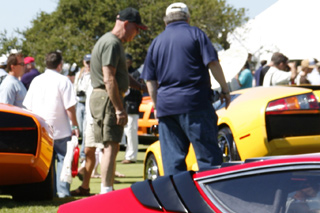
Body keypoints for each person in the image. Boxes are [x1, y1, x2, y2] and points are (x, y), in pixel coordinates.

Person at [142, 2, 230, 176]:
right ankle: (212, 198)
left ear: (166, 21)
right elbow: (213, 63)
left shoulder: (157, 42)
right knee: (208, 158)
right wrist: (226, 90)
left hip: (167, 107)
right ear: (188, 18)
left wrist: (157, 104)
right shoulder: (196, 34)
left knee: (173, 162)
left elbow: (149, 80)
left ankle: (176, 200)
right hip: (195, 103)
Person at [75, 6, 145, 196]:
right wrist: (119, 109)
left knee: (109, 144)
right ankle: (106, 191)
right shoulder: (112, 43)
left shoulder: (110, 42)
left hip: (104, 97)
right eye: (137, 28)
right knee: (110, 145)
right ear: (126, 24)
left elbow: (119, 74)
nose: (137, 33)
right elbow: (109, 78)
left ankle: (106, 188)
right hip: (107, 98)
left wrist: (140, 86)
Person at [23, 51, 79, 198]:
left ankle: (49, 192)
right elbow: (70, 107)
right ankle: (62, 192)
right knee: (63, 161)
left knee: (46, 163)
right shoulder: (64, 81)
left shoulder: (37, 80)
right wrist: (75, 126)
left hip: (42, 128)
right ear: (59, 65)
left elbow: (28, 107)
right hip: (61, 128)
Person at [121, 53, 144, 163]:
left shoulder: (136, 73)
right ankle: (127, 153)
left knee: (131, 131)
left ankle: (131, 156)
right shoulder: (121, 72)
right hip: (123, 105)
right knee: (125, 132)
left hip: (132, 105)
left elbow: (139, 89)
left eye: (128, 61)